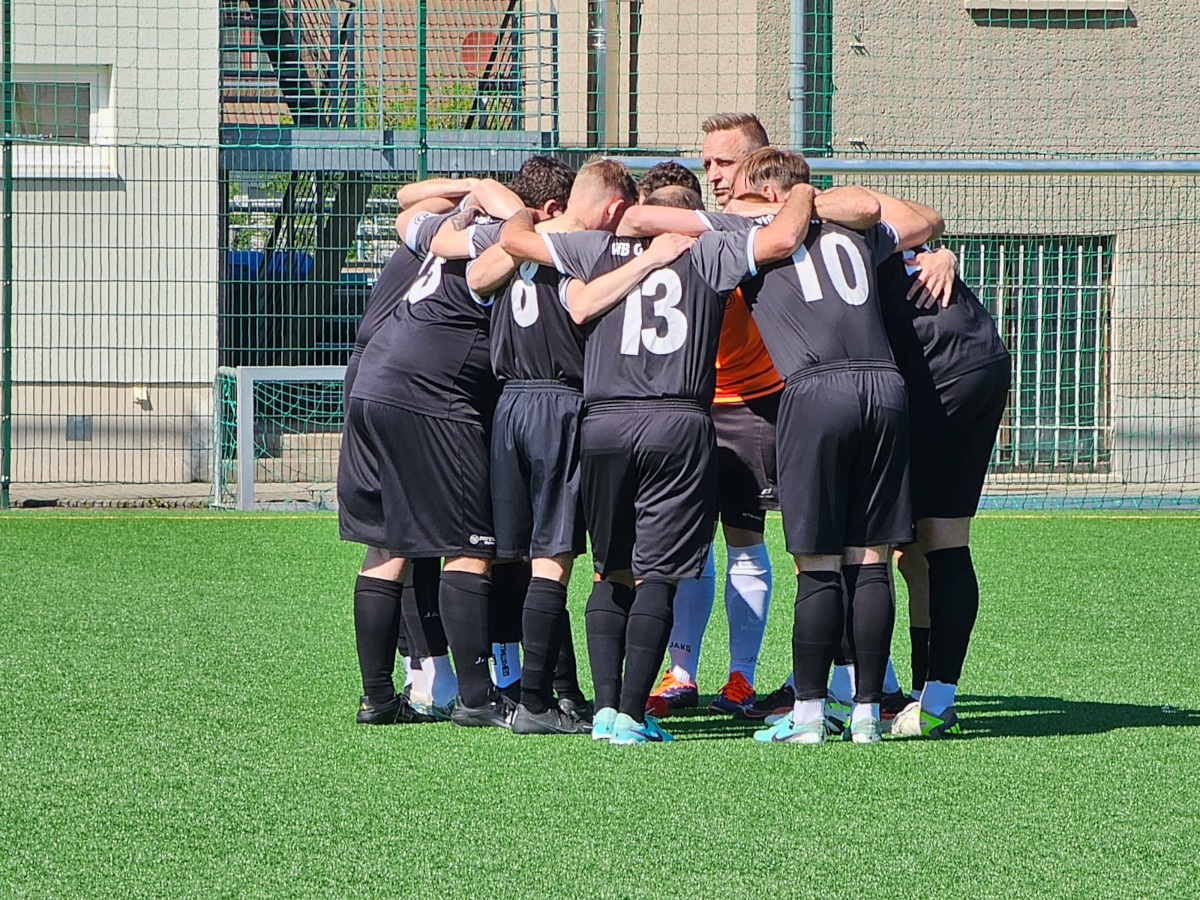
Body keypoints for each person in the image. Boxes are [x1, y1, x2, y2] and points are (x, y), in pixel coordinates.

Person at [501, 182, 819, 743]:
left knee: (609, 570)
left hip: (602, 423)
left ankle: (602, 712)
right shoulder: (712, 249)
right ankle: (630, 713)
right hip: (677, 420)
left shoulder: (590, 245)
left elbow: (516, 240)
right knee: (659, 572)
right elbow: (780, 238)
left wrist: (534, 214)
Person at [704, 148, 933, 743]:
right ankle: (865, 716)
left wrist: (790, 203)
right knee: (871, 556)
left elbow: (673, 222)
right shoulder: (854, 227)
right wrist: (825, 198)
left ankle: (807, 713)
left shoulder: (740, 227)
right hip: (886, 389)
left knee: (817, 562)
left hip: (814, 389)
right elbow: (926, 219)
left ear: (761, 193)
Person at [338, 157, 574, 728]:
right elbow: (499, 252)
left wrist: (469, 190)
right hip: (432, 394)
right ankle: (475, 696)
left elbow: (407, 203)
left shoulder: (438, 230)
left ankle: (378, 697)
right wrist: (520, 220)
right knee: (469, 543)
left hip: (372, 382)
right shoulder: (503, 235)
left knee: (387, 547)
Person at [465, 159, 639, 734]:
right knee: (553, 558)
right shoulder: (585, 247)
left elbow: (477, 278)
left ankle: (547, 692)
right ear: (612, 207)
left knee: (519, 557)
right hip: (558, 403)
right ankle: (537, 704)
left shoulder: (522, 244)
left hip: (509, 404)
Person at [877, 244, 1012, 738]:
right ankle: (925, 697)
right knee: (916, 549)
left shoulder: (819, 226)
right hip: (980, 359)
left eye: (723, 163)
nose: (717, 177)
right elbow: (922, 220)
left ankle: (877, 692)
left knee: (885, 541)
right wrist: (943, 250)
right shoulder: (878, 229)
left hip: (938, 375)